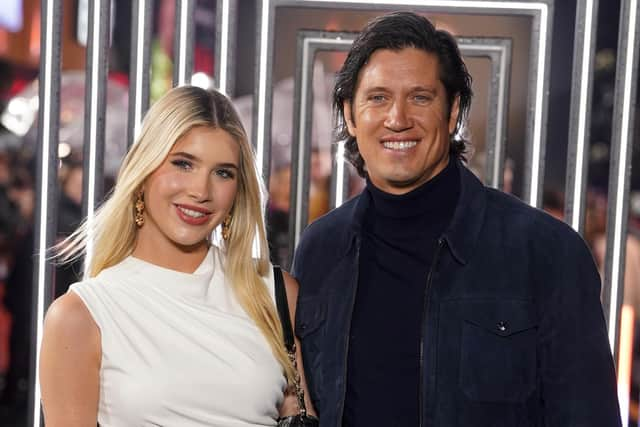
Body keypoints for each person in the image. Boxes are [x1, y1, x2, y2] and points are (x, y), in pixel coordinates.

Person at [292, 11, 621, 426]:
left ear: (452, 113)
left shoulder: (546, 252)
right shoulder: (320, 248)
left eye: (420, 97)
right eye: (377, 98)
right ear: (351, 114)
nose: (397, 118)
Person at [39, 86, 314, 426]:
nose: (201, 190)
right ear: (143, 171)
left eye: (223, 172)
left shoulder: (273, 293)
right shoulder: (81, 316)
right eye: (183, 164)